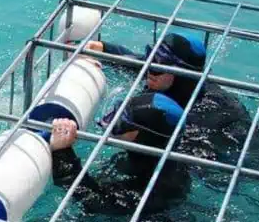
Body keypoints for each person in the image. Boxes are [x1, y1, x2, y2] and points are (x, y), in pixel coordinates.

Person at [81, 31, 259, 167]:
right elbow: (134, 61)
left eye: (157, 66)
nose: (150, 69)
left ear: (179, 75)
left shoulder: (211, 110)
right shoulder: (160, 75)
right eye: (151, 59)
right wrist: (102, 48)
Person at [48, 92, 191, 215]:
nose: (108, 125)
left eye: (120, 124)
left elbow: (95, 201)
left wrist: (62, 153)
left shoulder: (156, 192)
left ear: (145, 137)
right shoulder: (145, 157)